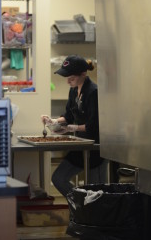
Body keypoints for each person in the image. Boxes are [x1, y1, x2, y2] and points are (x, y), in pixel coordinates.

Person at [41, 55, 107, 197]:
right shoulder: (73, 90)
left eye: (71, 78)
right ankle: (80, 204)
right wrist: (53, 121)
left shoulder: (93, 92)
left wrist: (73, 128)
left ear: (83, 74)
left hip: (96, 149)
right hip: (81, 145)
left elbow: (93, 125)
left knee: (97, 193)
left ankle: (89, 212)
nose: (68, 82)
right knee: (58, 178)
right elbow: (69, 116)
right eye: (66, 77)